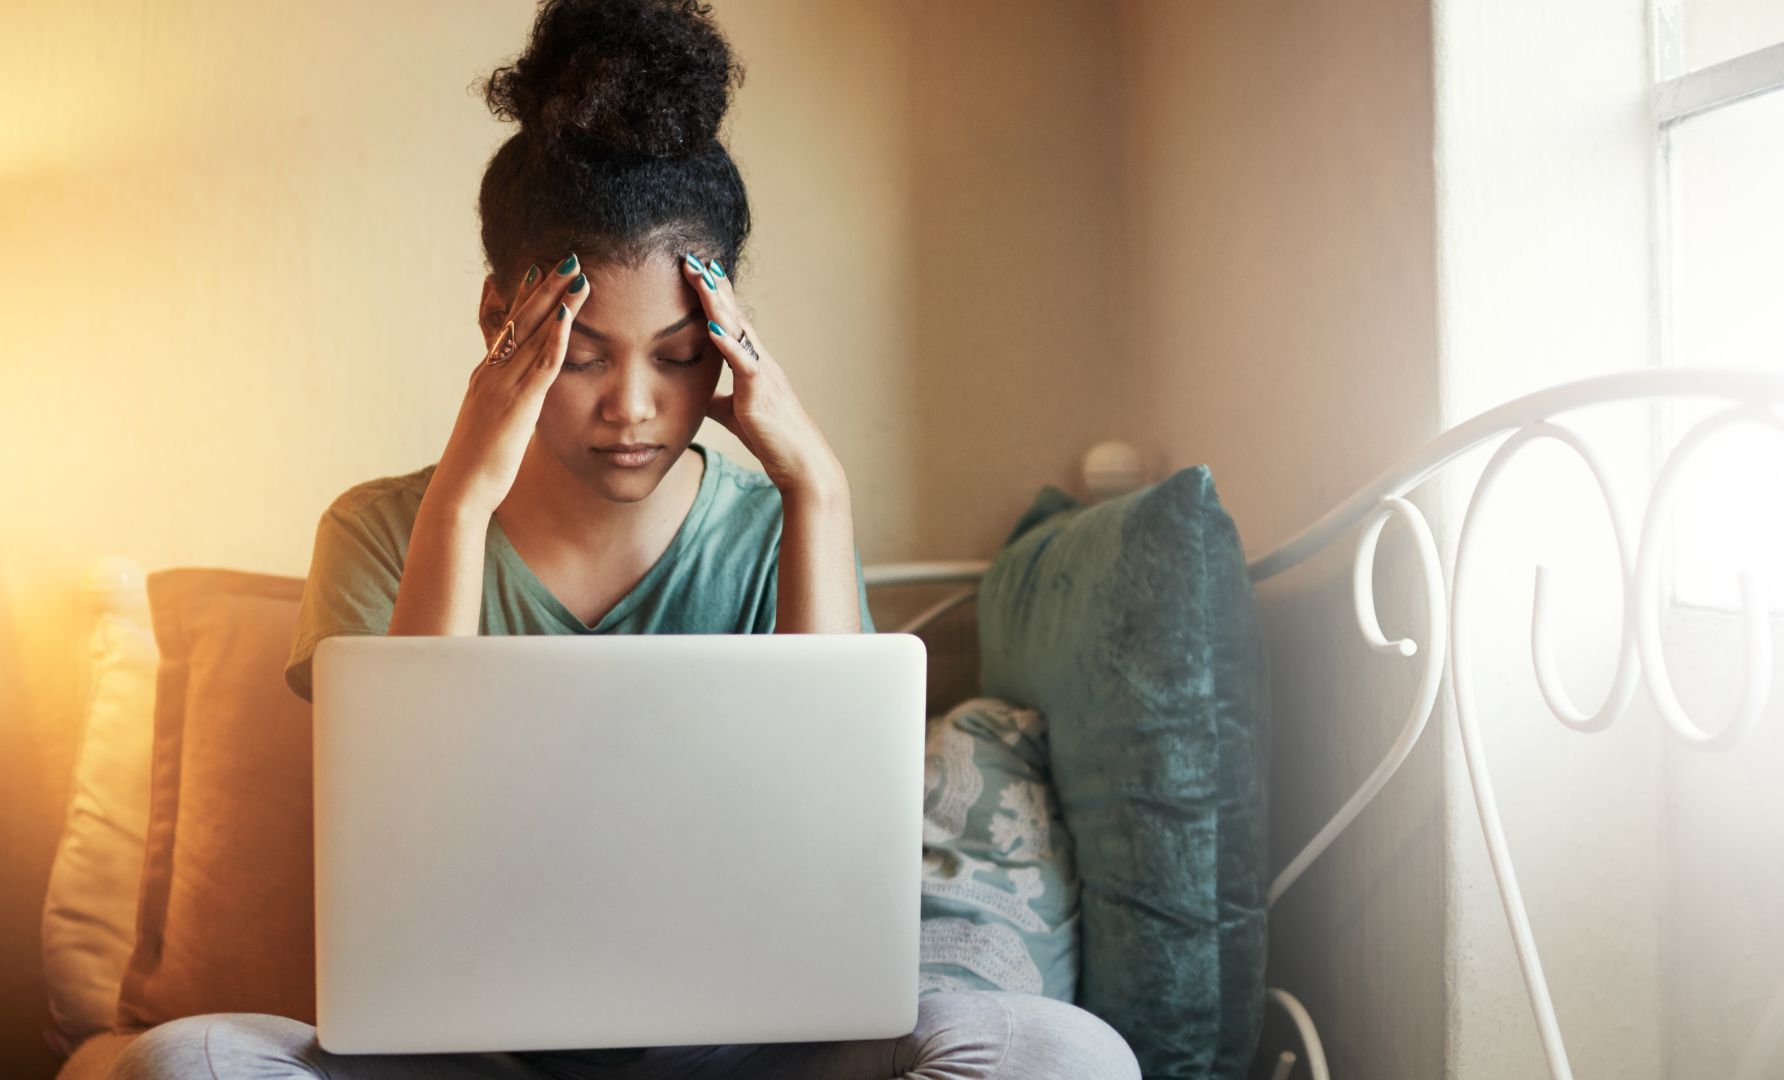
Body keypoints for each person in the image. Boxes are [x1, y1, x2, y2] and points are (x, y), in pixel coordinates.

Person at [106, 1, 1140, 1077]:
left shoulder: (770, 532)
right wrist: (461, 498)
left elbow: (831, 866)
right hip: (466, 1057)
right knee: (180, 1063)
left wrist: (819, 489)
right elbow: (402, 870)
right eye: (584, 354)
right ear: (498, 319)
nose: (634, 408)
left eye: (681, 355)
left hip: (742, 1050)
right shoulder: (377, 532)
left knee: (1061, 1054)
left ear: (732, 349)